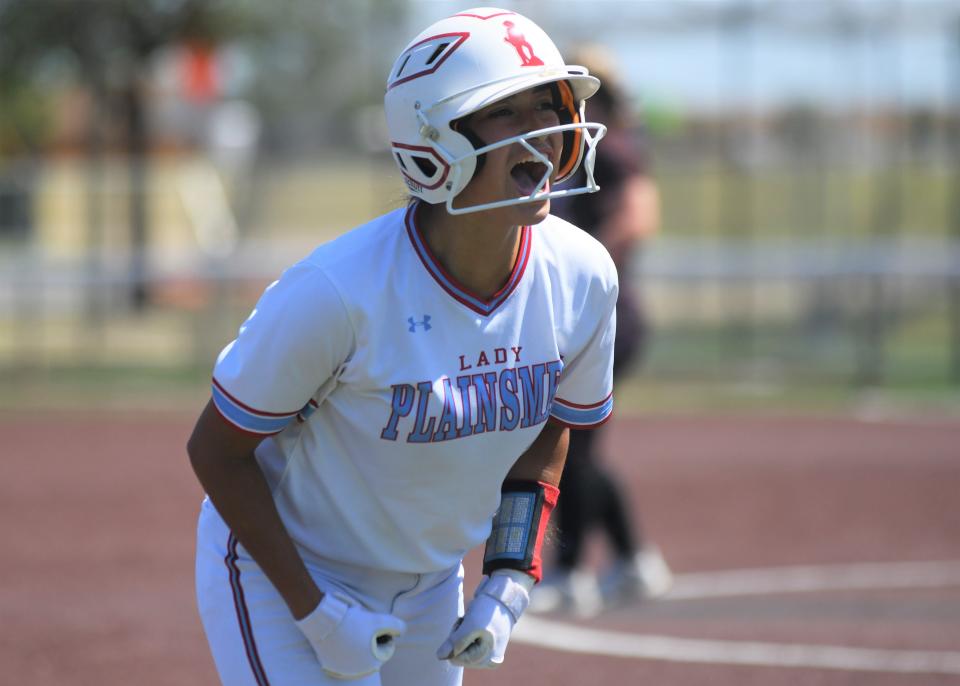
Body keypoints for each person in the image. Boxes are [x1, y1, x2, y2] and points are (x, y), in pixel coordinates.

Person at [187, 8, 615, 686]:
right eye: (508, 112)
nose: (545, 131)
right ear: (433, 139)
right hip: (288, 571)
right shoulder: (337, 291)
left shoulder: (583, 275)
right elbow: (215, 449)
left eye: (548, 105)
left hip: (428, 582)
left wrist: (509, 578)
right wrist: (316, 613)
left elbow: (549, 432)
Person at [529, 46, 673, 618]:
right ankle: (633, 558)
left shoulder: (611, 149)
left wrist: (587, 275)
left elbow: (639, 216)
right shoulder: (582, 151)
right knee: (579, 445)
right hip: (592, 319)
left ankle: (568, 575)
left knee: (570, 445)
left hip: (605, 319)